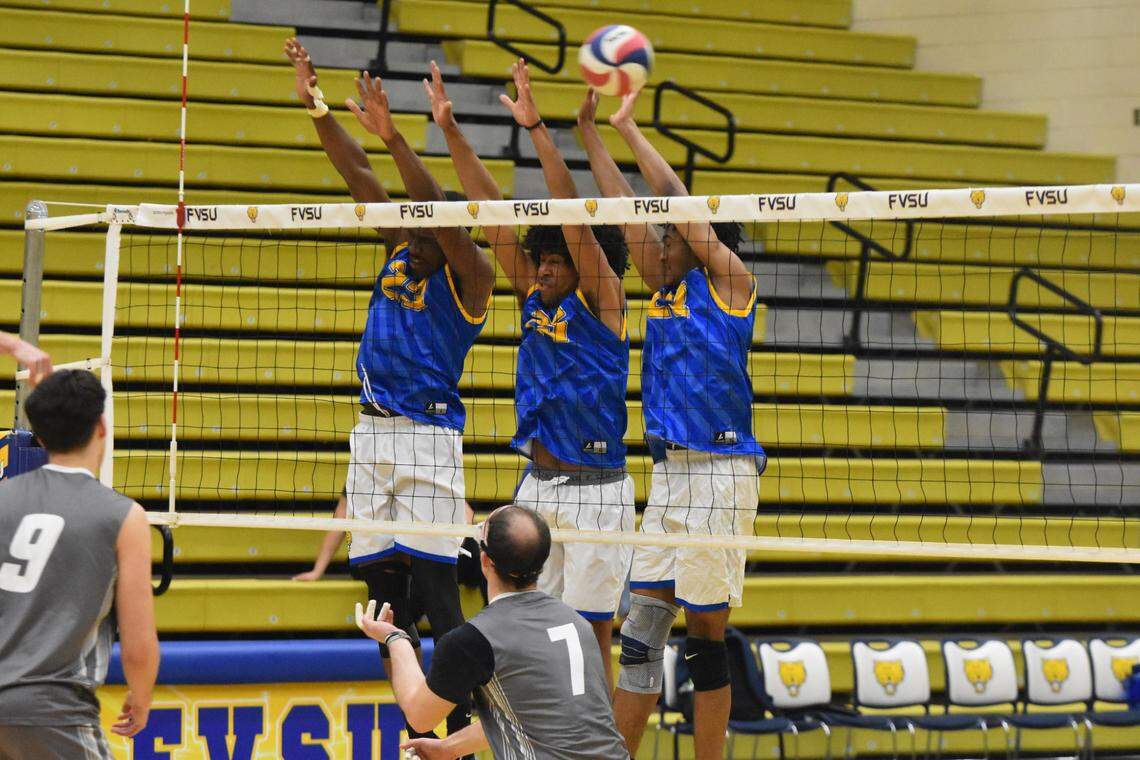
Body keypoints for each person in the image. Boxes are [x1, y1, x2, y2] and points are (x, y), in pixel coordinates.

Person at [285, 39, 494, 744]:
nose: (406, 220)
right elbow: (357, 173)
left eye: (419, 217)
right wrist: (315, 106)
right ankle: (418, 723)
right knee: (381, 598)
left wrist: (399, 134)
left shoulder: (471, 279)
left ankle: (466, 727)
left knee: (441, 600)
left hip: (429, 437)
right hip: (371, 433)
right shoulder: (399, 250)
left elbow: (427, 201)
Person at [424, 60, 632, 686]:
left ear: (581, 261)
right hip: (537, 487)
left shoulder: (604, 300)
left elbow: (572, 212)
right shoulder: (534, 298)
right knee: (523, 628)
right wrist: (451, 131)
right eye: (537, 259)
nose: (541, 269)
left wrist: (538, 127)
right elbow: (490, 211)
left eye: (553, 261)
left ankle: (588, 738)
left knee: (590, 630)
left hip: (598, 491)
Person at [579, 89, 766, 760]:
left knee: (705, 639)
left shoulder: (729, 283)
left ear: (693, 240)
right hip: (670, 476)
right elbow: (626, 208)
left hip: (721, 472)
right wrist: (591, 136)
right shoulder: (660, 288)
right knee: (643, 629)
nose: (655, 244)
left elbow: (672, 200)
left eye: (669, 237)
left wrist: (629, 128)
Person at [357, 505, 629, 760]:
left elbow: (419, 715)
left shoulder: (474, 639)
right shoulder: (576, 623)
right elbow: (535, 715)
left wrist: (396, 638)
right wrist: (449, 748)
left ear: (484, 561)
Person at [0, 370, 159, 759]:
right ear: (101, 426)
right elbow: (139, 642)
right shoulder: (124, 517)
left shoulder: (2, 497)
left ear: (38, 435)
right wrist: (140, 697)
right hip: (54, 708)